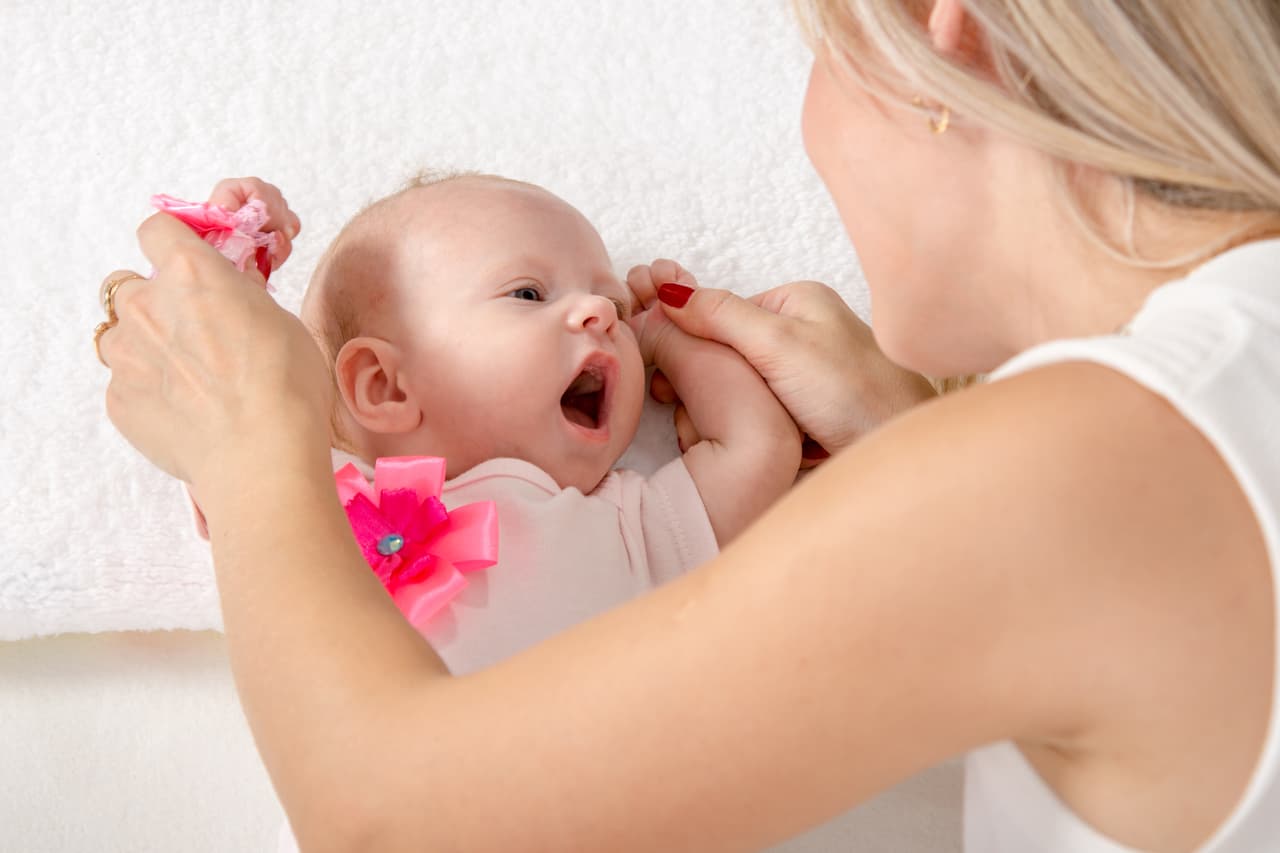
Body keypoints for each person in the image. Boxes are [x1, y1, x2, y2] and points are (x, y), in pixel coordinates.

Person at [95, 0, 1280, 850]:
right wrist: (901, 432)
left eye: (820, 49)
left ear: (940, 34)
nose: (596, 318)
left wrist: (250, 442)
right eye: (528, 293)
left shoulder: (1073, 463)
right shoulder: (1153, 430)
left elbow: (390, 823)